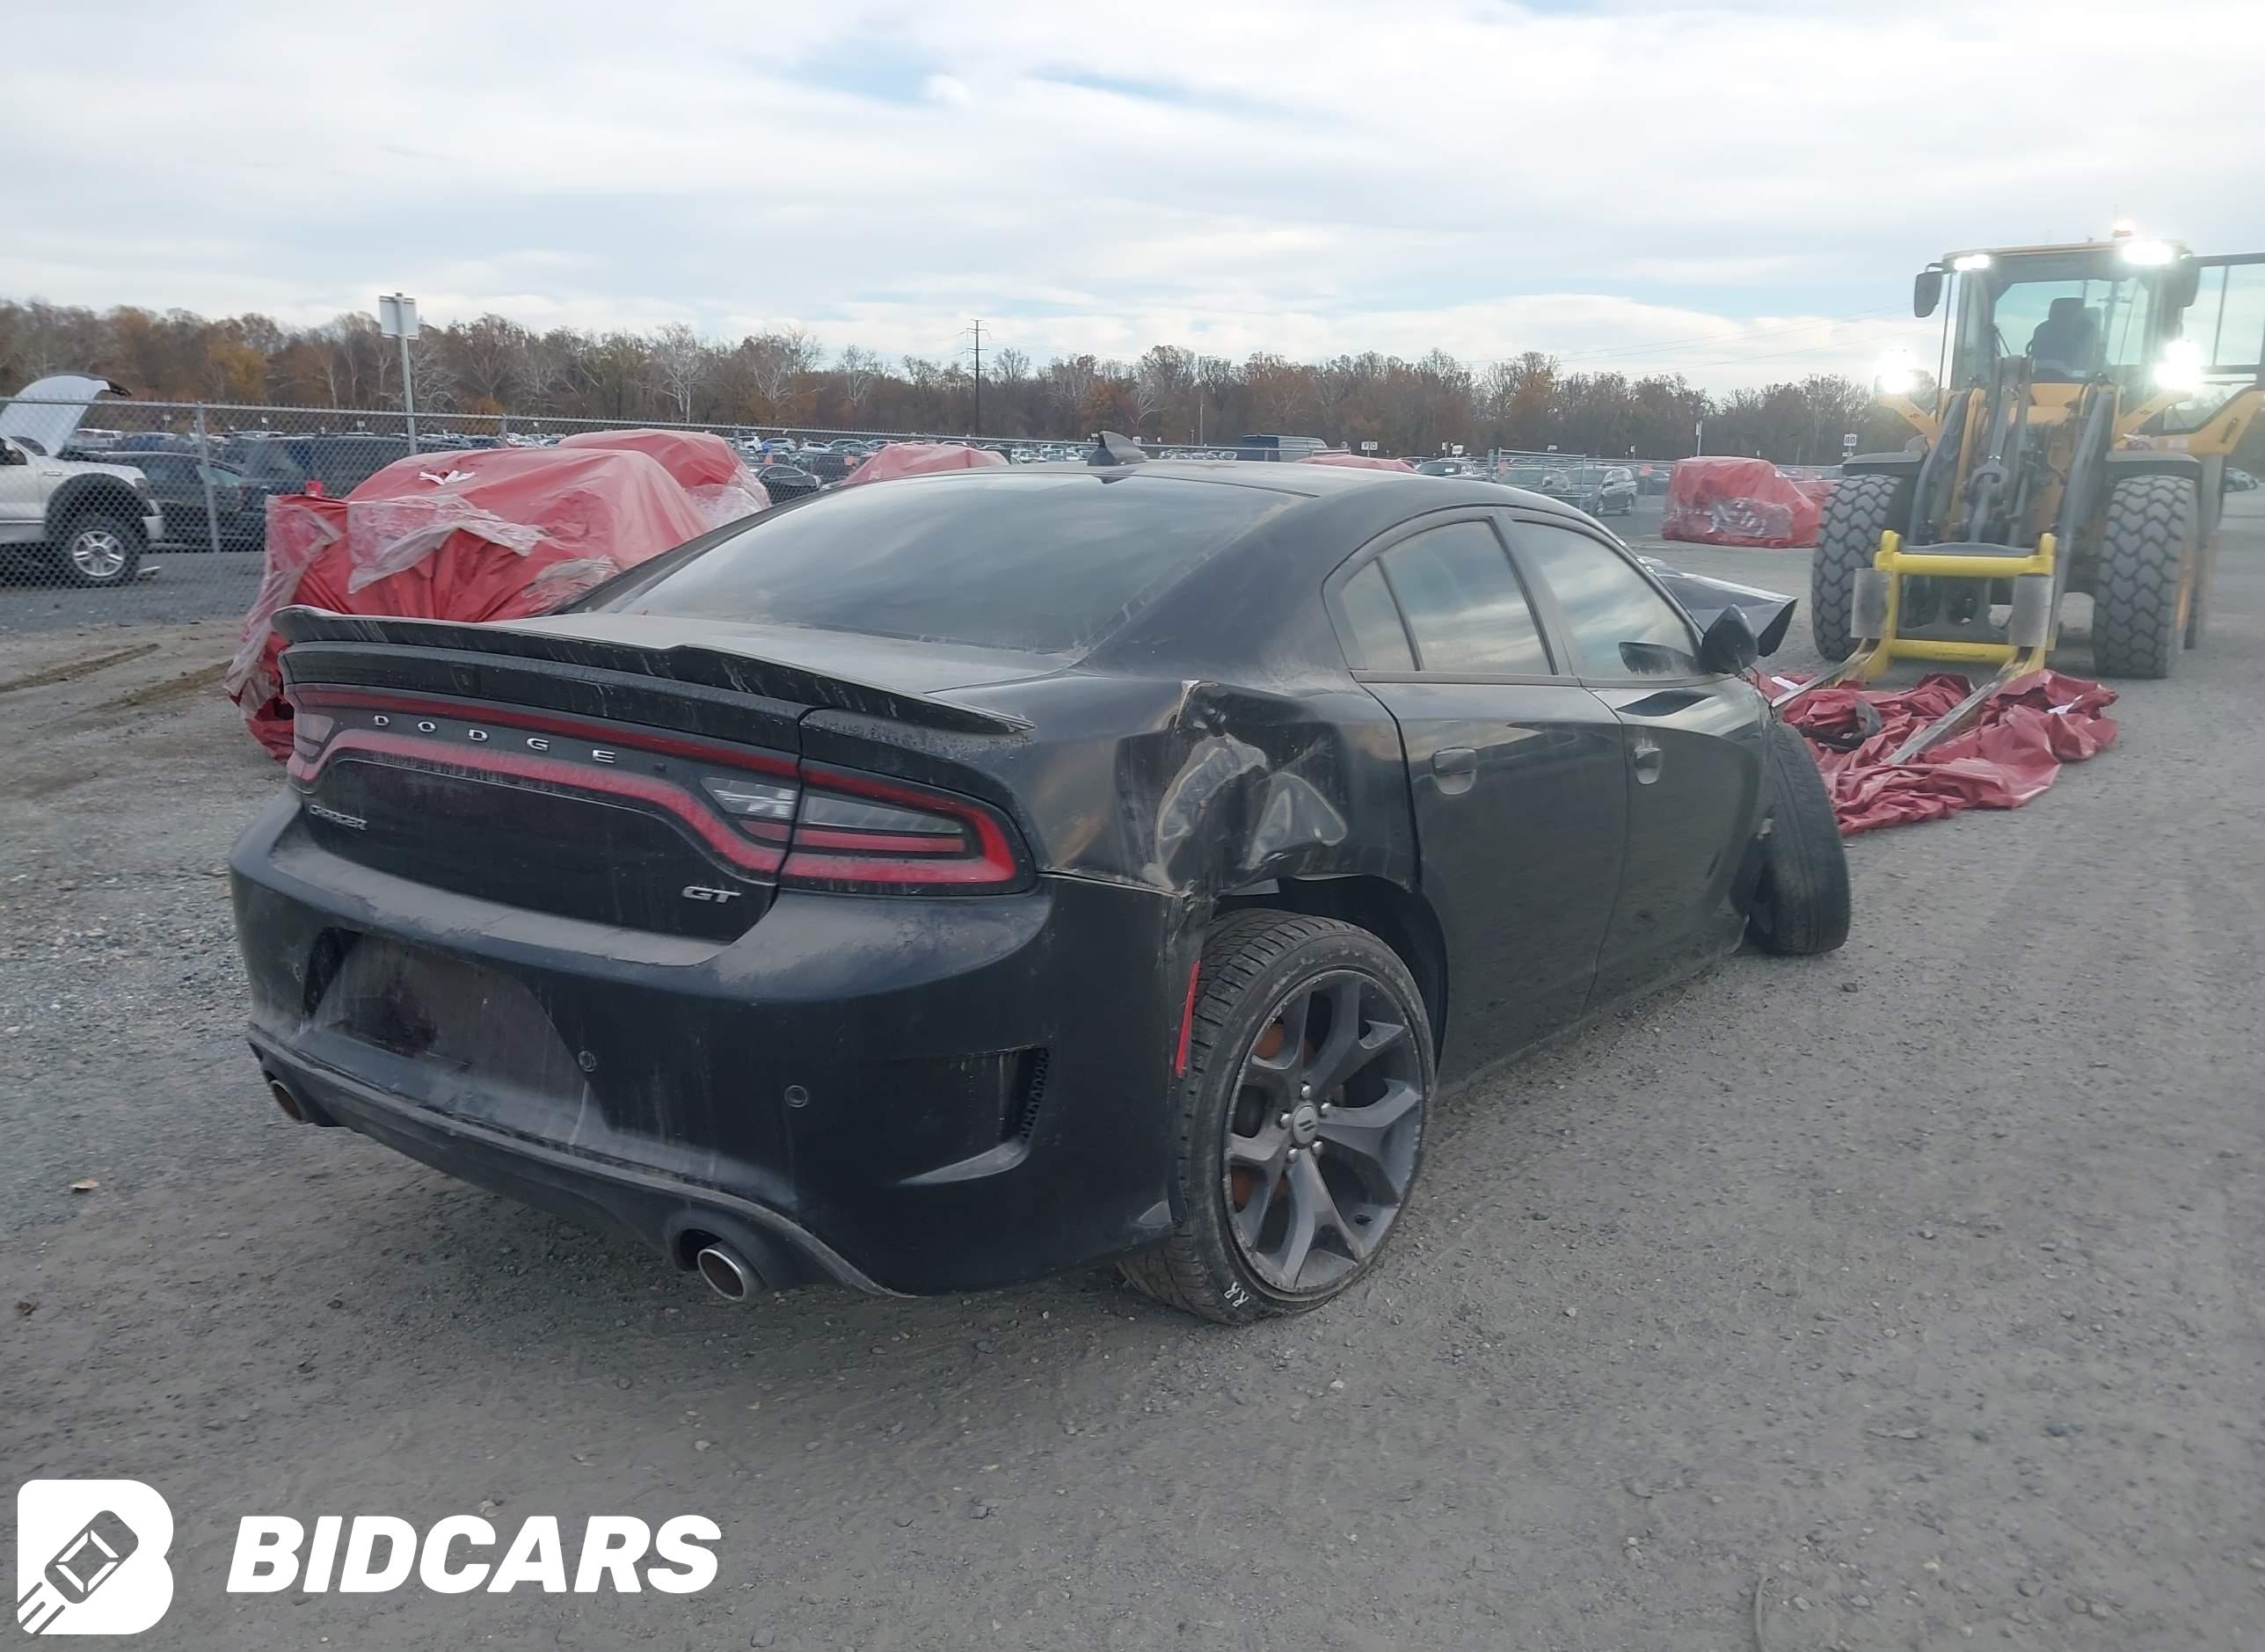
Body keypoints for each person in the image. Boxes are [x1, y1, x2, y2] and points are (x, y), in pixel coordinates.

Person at [2028, 296, 2098, 380]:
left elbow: (2084, 362)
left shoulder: (2087, 329)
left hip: (2080, 384)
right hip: (2034, 383)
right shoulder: (2042, 329)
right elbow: (2033, 361)